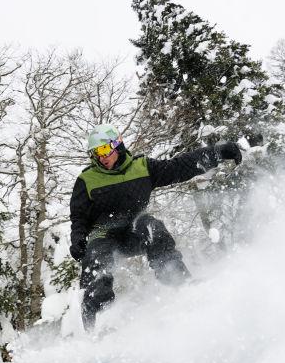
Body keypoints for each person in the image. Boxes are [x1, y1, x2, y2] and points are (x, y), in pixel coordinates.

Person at [69, 124, 243, 329]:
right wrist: (78, 239)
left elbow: (180, 166)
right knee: (98, 254)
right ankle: (97, 318)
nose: (101, 157)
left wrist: (219, 152)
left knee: (151, 226)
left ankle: (179, 284)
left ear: (117, 145)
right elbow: (78, 216)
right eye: (95, 153)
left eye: (104, 150)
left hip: (133, 229)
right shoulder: (87, 179)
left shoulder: (142, 167)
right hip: (103, 233)